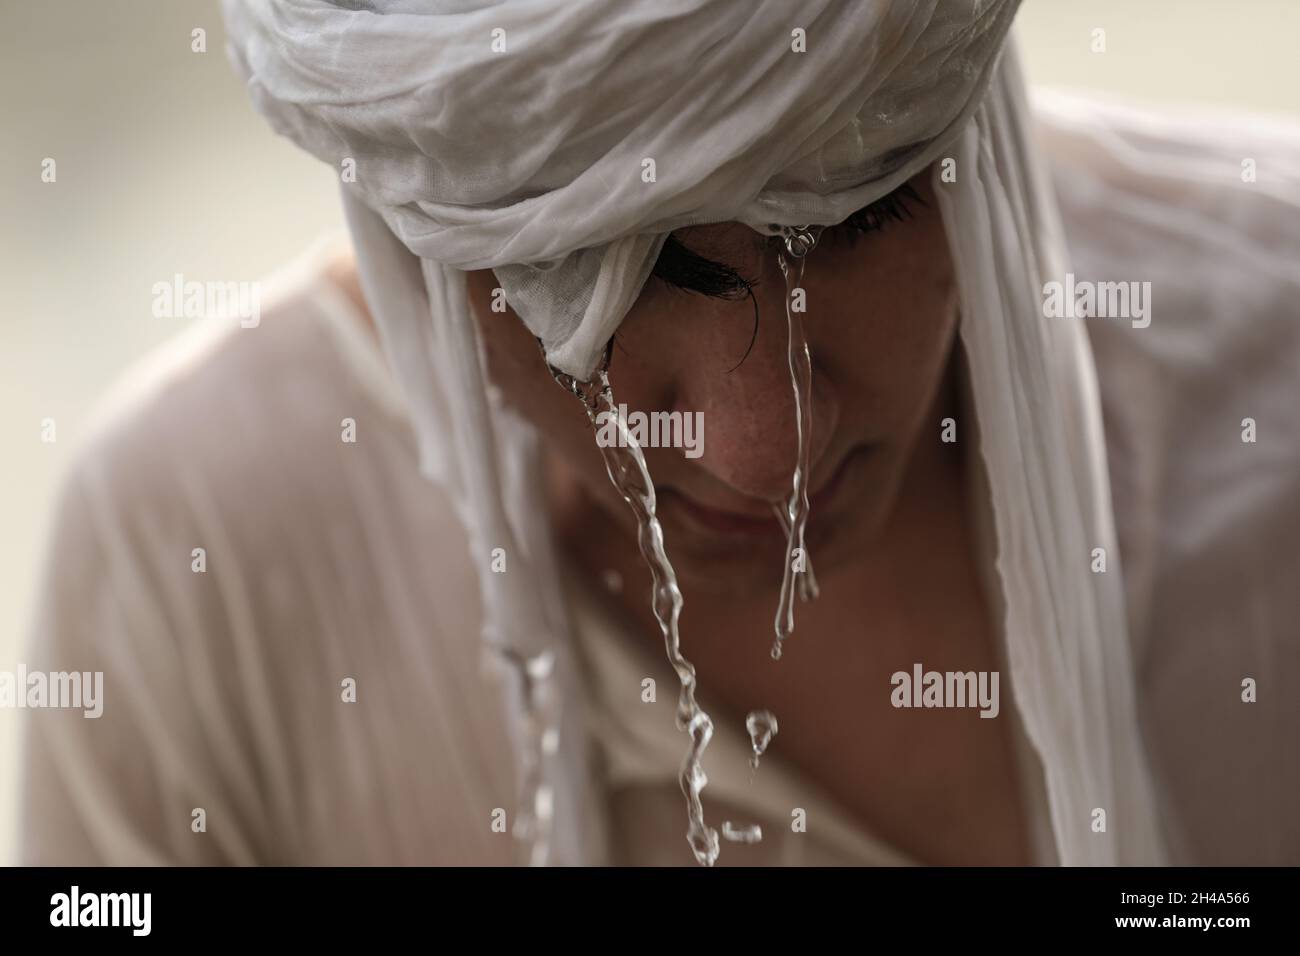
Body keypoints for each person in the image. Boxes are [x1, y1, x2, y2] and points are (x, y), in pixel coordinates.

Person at [20, 1, 1299, 866]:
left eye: (858, 216)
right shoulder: (189, 571)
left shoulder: (1272, 365)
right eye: (581, 274)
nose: (770, 449)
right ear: (414, 226)